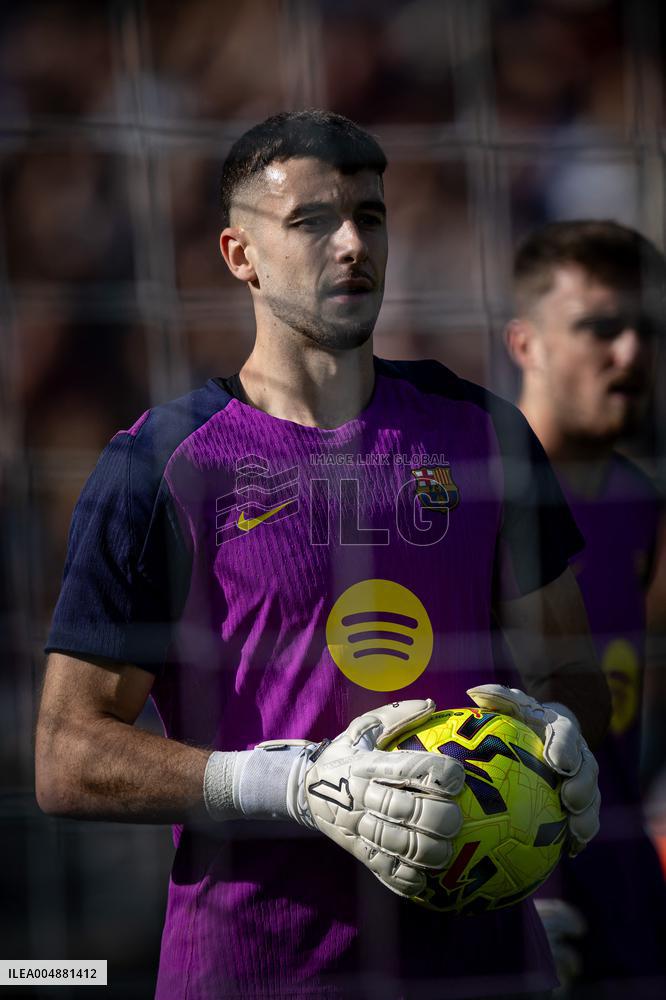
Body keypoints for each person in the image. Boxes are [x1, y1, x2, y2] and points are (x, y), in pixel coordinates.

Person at [36, 111, 609, 1000]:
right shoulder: (159, 462)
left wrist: (563, 752)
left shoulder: (483, 435)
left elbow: (573, 671)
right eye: (310, 222)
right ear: (239, 255)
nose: (352, 244)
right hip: (259, 969)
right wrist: (294, 785)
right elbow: (68, 756)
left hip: (483, 966)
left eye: (370, 217)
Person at [505, 219, 666, 997]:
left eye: (646, 329)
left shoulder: (646, 506)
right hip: (504, 888)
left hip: (627, 887)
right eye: (599, 326)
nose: (631, 352)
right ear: (525, 344)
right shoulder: (464, 499)